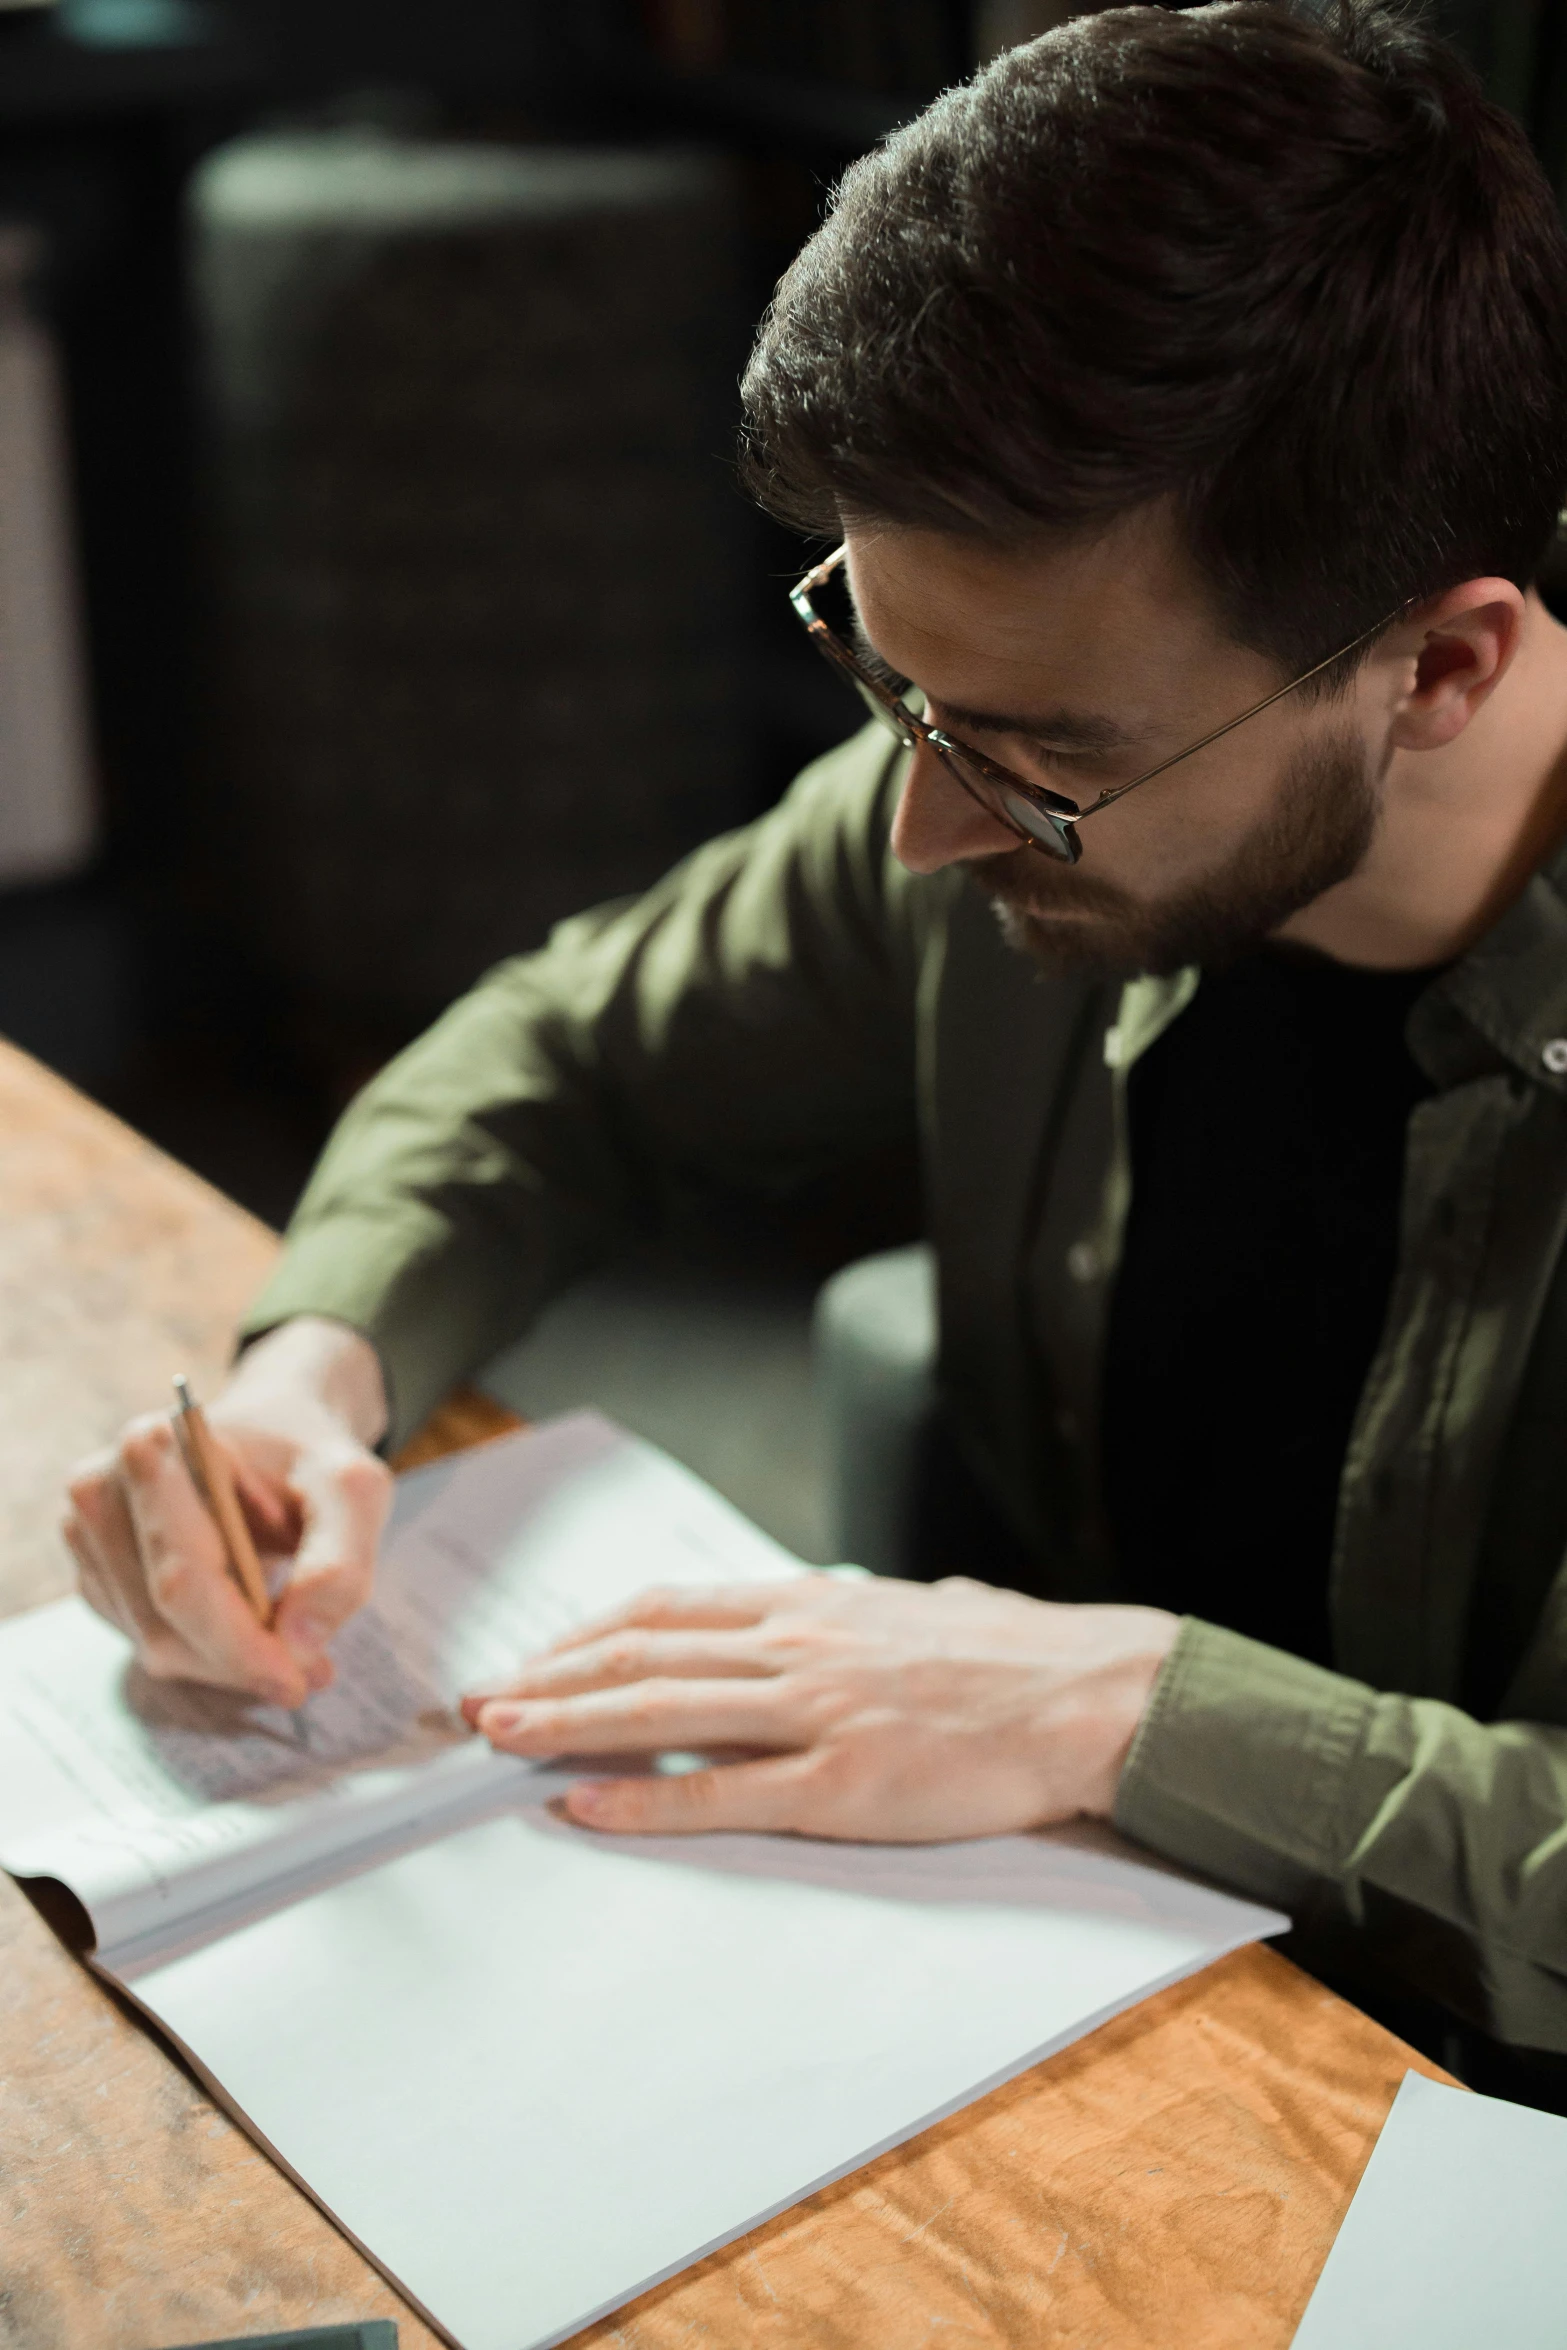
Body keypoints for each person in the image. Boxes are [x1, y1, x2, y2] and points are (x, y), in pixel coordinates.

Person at [64, 0, 1567, 2102]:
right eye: (882, 667)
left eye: (1043, 760)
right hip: (1062, 1974)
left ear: (1444, 664)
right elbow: (566, 1054)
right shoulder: (981, 775)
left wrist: (1135, 1703)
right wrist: (315, 1368)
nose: (921, 833)